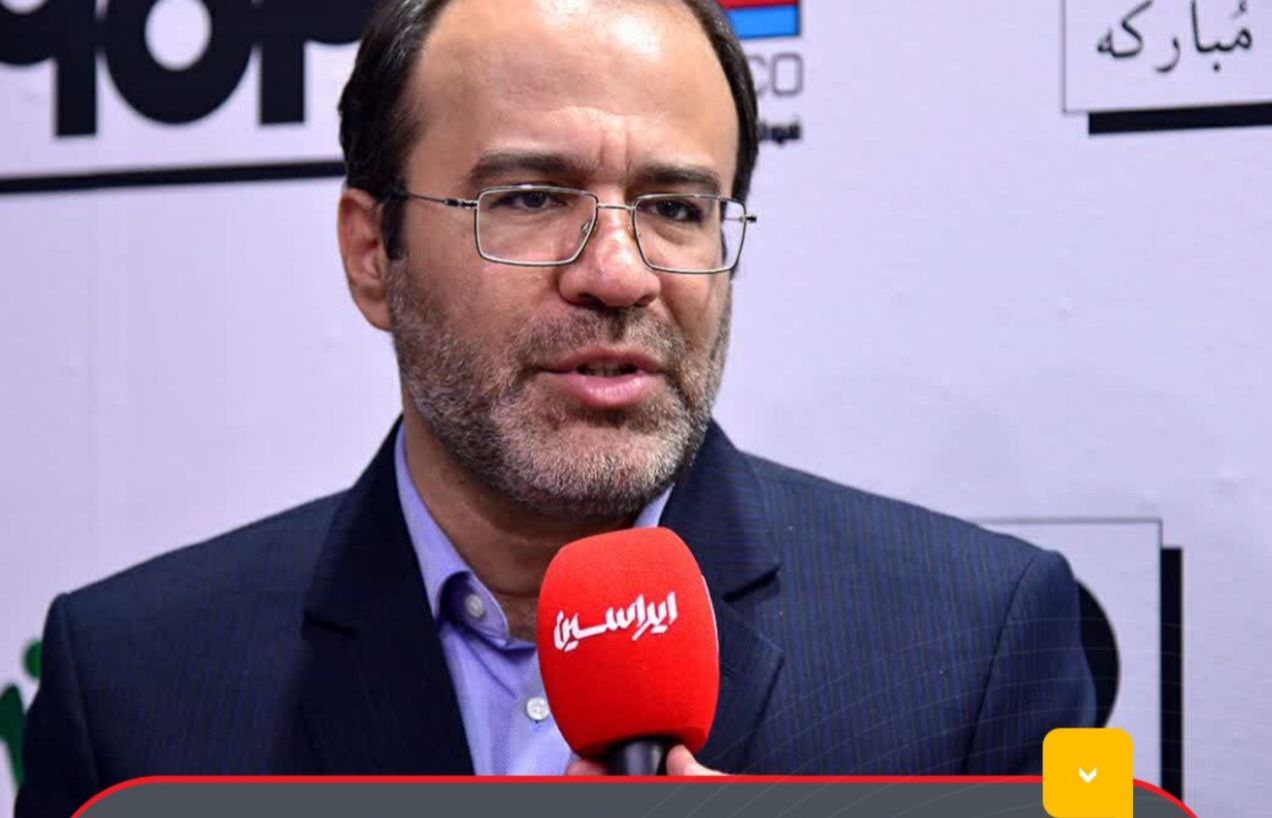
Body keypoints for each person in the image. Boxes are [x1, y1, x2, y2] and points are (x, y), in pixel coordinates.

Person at [17, 0, 1095, 814]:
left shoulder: (975, 644)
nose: (619, 273)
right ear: (373, 254)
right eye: (530, 198)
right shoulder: (130, 683)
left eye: (675, 208)